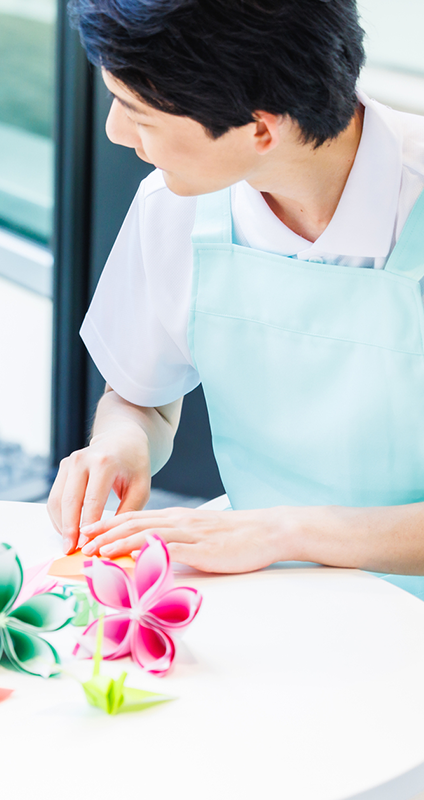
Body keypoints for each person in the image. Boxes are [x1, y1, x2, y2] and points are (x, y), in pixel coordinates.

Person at [47, 0, 424, 588]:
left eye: (138, 114)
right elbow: (141, 397)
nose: (115, 134)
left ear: (261, 128)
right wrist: (120, 446)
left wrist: (287, 533)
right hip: (263, 573)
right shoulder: (174, 204)